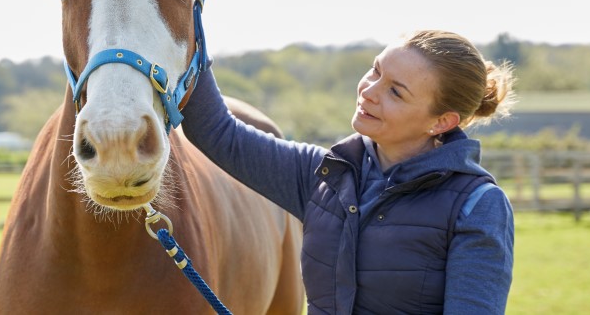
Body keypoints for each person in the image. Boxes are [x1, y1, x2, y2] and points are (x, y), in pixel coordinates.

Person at [181, 29, 516, 314]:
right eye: (375, 71)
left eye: (395, 91)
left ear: (441, 122)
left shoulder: (478, 206)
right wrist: (186, 26)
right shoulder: (322, 175)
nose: (369, 92)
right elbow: (218, 133)